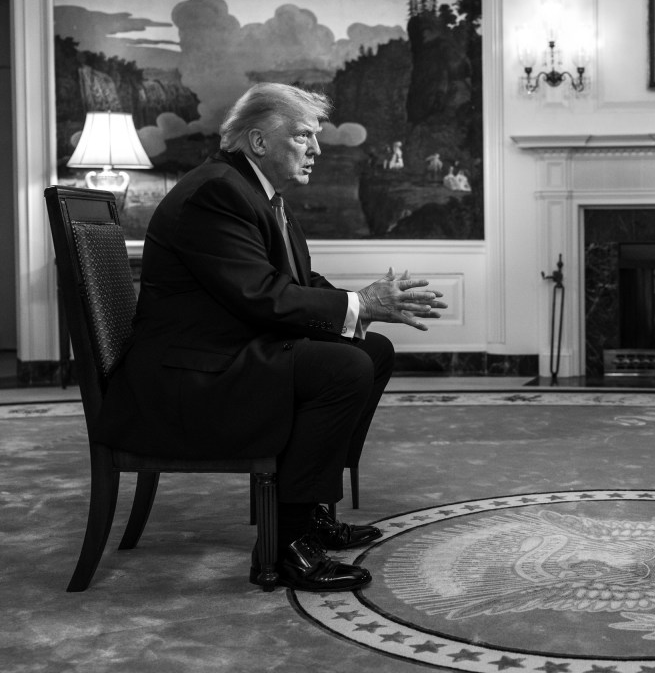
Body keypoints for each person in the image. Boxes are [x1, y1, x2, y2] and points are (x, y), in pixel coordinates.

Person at [99, 83, 447, 592]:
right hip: (185, 378)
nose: (318, 149)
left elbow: (294, 287)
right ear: (260, 142)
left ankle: (310, 514)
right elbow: (259, 296)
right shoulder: (217, 193)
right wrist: (360, 304)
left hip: (221, 352)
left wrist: (368, 305)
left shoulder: (256, 194)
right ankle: (286, 545)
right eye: (304, 136)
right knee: (344, 366)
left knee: (371, 350)